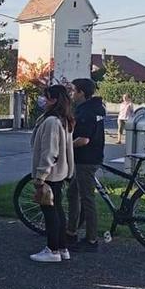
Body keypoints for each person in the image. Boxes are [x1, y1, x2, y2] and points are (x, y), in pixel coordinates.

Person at [30, 84, 75, 263]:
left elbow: (49, 151)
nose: (43, 100)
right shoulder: (64, 119)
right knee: (57, 210)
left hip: (50, 173)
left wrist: (41, 176)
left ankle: (52, 249)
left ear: (54, 100)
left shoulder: (51, 122)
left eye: (46, 97)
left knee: (49, 211)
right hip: (61, 172)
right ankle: (62, 247)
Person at [66, 78, 105, 253]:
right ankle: (70, 230)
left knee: (87, 198)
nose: (71, 94)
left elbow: (83, 139)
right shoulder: (96, 107)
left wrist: (64, 146)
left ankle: (91, 240)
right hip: (92, 157)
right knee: (72, 192)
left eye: (73, 91)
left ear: (81, 92)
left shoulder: (86, 112)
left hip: (85, 160)